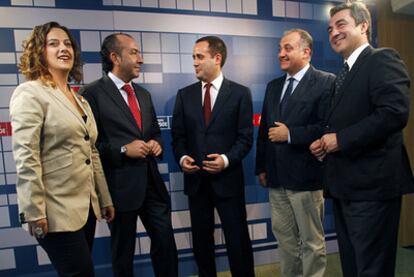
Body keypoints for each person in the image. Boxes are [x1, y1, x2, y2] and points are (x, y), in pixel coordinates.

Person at [309, 2, 414, 277]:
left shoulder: (382, 58)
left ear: (363, 25)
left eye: (341, 24)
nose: (333, 32)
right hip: (345, 188)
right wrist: (324, 143)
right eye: (330, 28)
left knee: (372, 269)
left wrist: (340, 140)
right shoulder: (341, 76)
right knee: (354, 267)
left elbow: (393, 113)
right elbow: (345, 122)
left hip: (373, 189)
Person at [9, 21, 114, 276]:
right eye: (53, 43)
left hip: (85, 208)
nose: (63, 48)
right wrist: (33, 211)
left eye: (67, 43)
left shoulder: (80, 99)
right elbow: (26, 155)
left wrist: (104, 198)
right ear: (39, 52)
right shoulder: (30, 93)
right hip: (53, 209)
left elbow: (91, 153)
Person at [81, 33, 178, 277]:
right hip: (118, 189)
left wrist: (156, 143)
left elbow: (154, 132)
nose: (141, 59)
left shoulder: (143, 94)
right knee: (122, 254)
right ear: (115, 57)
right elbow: (89, 147)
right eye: (134, 52)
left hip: (152, 185)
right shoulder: (91, 94)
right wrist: (124, 150)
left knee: (165, 244)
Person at [171, 36, 255, 277]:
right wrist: (182, 158)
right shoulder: (184, 95)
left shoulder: (240, 93)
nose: (194, 62)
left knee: (237, 242)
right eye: (193, 57)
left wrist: (225, 160)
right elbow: (178, 138)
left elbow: (245, 138)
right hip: (196, 183)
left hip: (228, 181)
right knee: (201, 244)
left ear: (217, 58)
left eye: (200, 56)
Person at [256, 29, 335, 277]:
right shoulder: (273, 86)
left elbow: (327, 126)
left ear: (306, 51)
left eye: (287, 48)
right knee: (285, 240)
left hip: (306, 178)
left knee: (312, 241)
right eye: (280, 48)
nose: (281, 54)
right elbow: (264, 132)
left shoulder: (326, 81)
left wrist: (291, 134)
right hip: (276, 178)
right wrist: (261, 167)